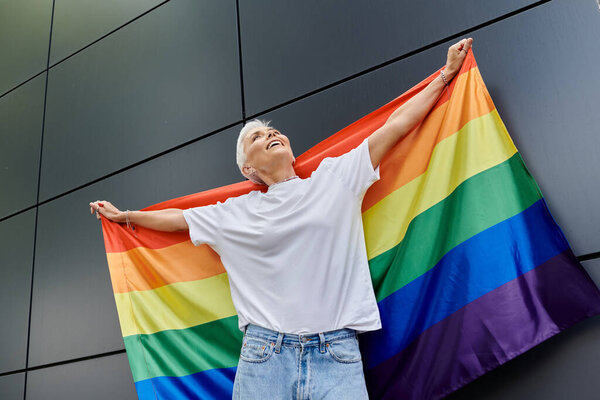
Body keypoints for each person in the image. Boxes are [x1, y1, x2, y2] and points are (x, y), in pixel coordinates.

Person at [90, 38, 473, 399]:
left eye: (272, 131)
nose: (268, 134)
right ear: (249, 171)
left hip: (337, 353)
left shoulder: (336, 178)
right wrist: (125, 217)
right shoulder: (235, 214)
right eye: (255, 138)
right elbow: (177, 220)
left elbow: (396, 126)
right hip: (264, 356)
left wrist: (445, 74)